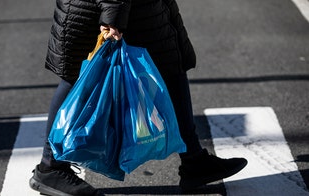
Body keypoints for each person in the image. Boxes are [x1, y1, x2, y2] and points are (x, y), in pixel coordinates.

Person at [29, 0, 248, 195]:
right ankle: (51, 167)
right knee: (82, 79)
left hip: (139, 8)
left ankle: (194, 160)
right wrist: (112, 13)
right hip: (100, 8)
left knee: (171, 67)